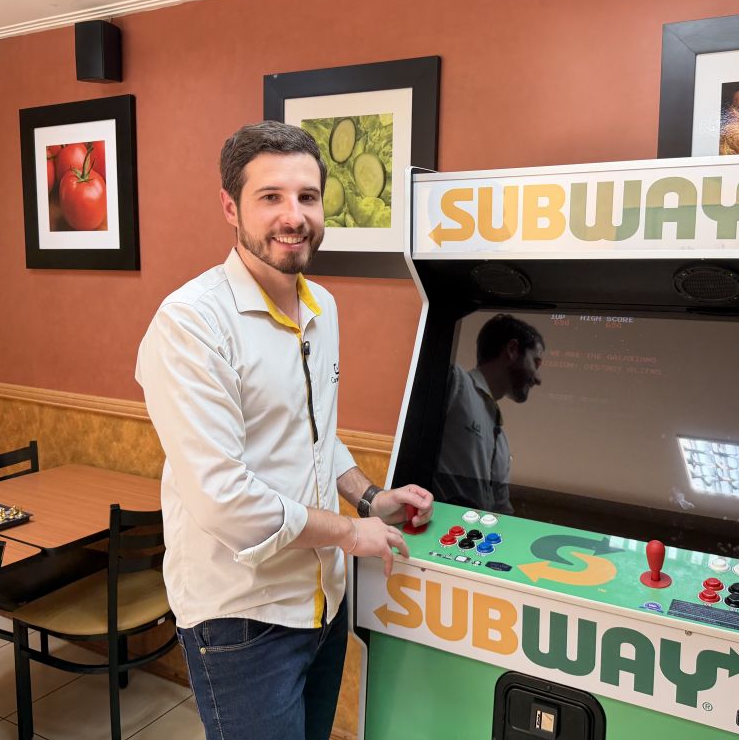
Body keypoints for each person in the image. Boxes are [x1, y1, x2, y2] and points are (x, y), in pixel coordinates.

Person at [136, 121, 433, 740]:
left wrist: (371, 497)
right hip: (242, 619)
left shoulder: (322, 308)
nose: (292, 216)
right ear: (230, 206)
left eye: (307, 196)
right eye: (270, 197)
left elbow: (316, 434)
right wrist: (352, 531)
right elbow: (225, 501)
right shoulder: (191, 324)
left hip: (322, 598)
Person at [431, 313, 544, 514]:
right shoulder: (454, 382)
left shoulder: (501, 441)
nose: (538, 379)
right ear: (512, 349)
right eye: (535, 363)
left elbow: (502, 508)